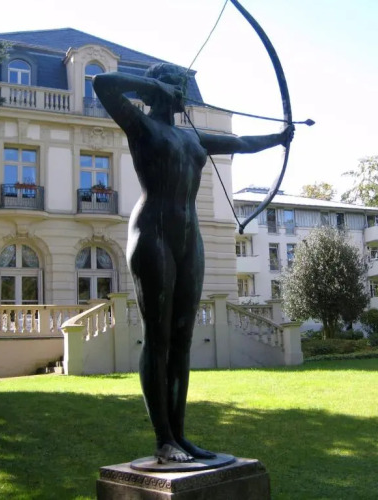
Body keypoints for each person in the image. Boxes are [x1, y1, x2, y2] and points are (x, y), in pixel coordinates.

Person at [93, 63, 292, 464]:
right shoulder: (141, 126)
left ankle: (180, 436)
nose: (183, 93)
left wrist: (280, 137)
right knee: (158, 336)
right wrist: (154, 84)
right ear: (155, 90)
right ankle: (163, 438)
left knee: (182, 339)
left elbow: (241, 142)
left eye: (184, 86)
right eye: (177, 85)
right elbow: (102, 83)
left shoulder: (193, 138)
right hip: (153, 233)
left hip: (189, 237)